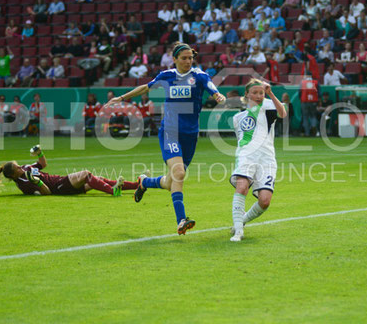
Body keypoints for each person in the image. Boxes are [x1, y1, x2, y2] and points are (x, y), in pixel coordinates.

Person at [104, 42, 226, 235]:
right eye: (184, 58)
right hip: (170, 130)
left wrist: (217, 95)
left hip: (191, 134)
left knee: (171, 181)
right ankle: (181, 220)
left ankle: (144, 182)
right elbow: (146, 87)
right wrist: (122, 98)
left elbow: (211, 87)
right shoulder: (166, 76)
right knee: (179, 172)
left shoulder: (199, 76)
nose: (188, 61)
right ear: (175, 59)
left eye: (190, 58)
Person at [229, 79, 287, 242]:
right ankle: (238, 232)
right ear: (246, 94)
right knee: (242, 187)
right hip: (246, 156)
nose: (258, 96)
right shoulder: (237, 117)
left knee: (265, 200)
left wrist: (270, 93)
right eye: (254, 92)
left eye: (261, 93)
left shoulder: (268, 108)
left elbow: (283, 114)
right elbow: (241, 140)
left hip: (267, 158)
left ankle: (241, 222)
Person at [0, 145, 138, 196]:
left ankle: (136, 186)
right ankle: (113, 191)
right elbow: (46, 192)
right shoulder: (23, 183)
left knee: (99, 179)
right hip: (58, 187)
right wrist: (36, 181)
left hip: (60, 181)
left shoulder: (26, 169)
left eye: (18, 165)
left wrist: (40, 152)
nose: (19, 167)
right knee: (86, 174)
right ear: (12, 174)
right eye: (16, 167)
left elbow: (43, 165)